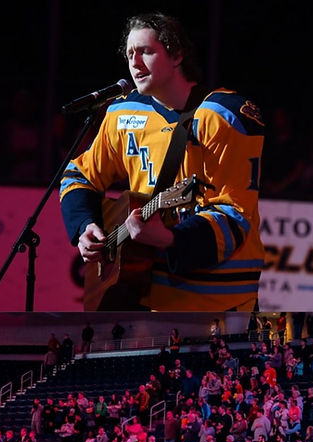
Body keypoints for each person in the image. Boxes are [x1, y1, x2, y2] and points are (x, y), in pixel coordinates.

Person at [60, 12, 266, 311]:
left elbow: (234, 213)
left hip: (219, 298)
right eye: (130, 53)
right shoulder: (121, 114)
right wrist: (84, 226)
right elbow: (79, 174)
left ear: (177, 54)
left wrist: (170, 238)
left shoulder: (225, 115)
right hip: (144, 296)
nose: (134, 62)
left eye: (145, 51)